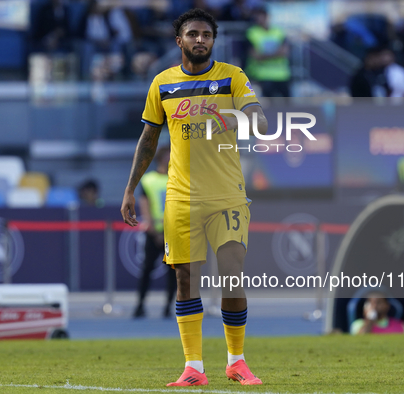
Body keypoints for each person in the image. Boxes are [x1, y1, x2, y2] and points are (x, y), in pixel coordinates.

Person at [121, 8, 267, 387]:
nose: (200, 40)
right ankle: (194, 368)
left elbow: (261, 122)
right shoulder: (163, 84)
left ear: (213, 41)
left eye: (206, 34)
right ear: (179, 41)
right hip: (181, 199)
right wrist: (130, 188)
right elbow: (149, 140)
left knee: (232, 278)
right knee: (186, 281)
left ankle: (237, 361)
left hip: (227, 197)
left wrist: (233, 118)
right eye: (193, 34)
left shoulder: (232, 77)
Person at [133, 146, 176, 318]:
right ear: (160, 158)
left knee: (173, 272)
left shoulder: (180, 179)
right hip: (154, 233)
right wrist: (153, 230)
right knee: (147, 270)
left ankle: (168, 306)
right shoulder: (149, 180)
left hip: (172, 233)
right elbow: (145, 205)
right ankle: (140, 305)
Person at [245, 6, 290, 97]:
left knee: (287, 106)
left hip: (282, 74)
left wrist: (265, 55)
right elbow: (255, 55)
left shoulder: (278, 31)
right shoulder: (252, 33)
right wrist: (276, 54)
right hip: (261, 75)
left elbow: (285, 51)